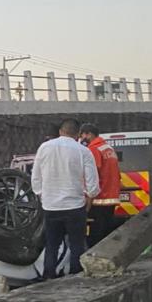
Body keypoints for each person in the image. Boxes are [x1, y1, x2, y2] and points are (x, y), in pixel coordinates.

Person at [31, 118, 100, 278]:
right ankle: (76, 274)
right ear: (78, 135)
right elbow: (92, 182)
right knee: (77, 244)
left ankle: (49, 275)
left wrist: (42, 194)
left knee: (52, 244)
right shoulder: (83, 151)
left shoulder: (44, 148)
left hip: (51, 206)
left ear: (61, 131)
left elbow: (35, 175)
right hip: (75, 206)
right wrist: (90, 196)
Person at [79, 123, 122, 247]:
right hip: (112, 197)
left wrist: (87, 197)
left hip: (99, 198)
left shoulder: (94, 149)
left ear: (88, 134)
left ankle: (94, 260)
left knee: (95, 235)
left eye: (82, 136)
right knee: (106, 232)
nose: (82, 139)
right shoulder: (108, 148)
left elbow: (93, 172)